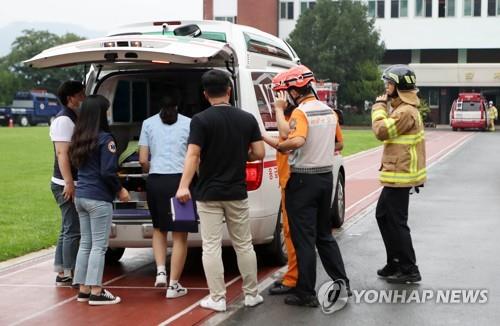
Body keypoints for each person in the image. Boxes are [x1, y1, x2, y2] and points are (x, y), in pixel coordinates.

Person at [176, 69, 265, 312]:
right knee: (244, 244)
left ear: (205, 94)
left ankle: (217, 298)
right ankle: (251, 294)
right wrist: (240, 154)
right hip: (237, 192)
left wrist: (184, 186)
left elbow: (193, 154)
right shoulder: (247, 119)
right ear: (229, 90)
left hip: (208, 194)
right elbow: (259, 153)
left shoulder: (200, 120)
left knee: (211, 246)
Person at [272, 65, 349, 307]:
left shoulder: (300, 113)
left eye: (287, 91)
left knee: (304, 239)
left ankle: (306, 293)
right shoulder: (329, 111)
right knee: (324, 236)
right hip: (325, 178)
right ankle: (342, 284)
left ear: (295, 90)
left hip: (303, 179)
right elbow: (339, 145)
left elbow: (294, 140)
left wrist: (277, 118)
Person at [70, 95, 130, 305]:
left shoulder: (79, 138)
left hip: (82, 196)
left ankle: (83, 288)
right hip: (98, 198)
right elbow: (107, 171)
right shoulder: (106, 139)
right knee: (99, 246)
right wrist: (120, 190)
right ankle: (96, 290)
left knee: (85, 244)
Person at [138, 93, 198, 298]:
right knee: (180, 235)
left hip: (156, 181)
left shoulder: (148, 123)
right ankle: (174, 285)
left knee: (159, 228)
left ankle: (160, 271)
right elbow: (194, 156)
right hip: (181, 182)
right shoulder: (190, 123)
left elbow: (143, 159)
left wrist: (151, 169)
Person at [371, 64, 426, 284]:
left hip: (400, 176)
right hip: (397, 174)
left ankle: (409, 268)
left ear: (399, 87)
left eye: (389, 84)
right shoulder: (404, 108)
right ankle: (394, 261)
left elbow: (381, 131)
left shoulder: (405, 112)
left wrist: (378, 107)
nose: (386, 88)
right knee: (383, 216)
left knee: (396, 222)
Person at [50, 80, 85, 286]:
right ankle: (70, 271)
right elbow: (62, 153)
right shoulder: (64, 120)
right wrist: (69, 182)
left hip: (65, 181)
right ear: (71, 98)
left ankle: (62, 270)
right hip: (64, 182)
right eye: (81, 94)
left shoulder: (70, 118)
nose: (83, 98)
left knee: (67, 226)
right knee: (72, 228)